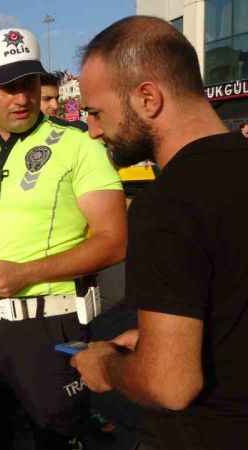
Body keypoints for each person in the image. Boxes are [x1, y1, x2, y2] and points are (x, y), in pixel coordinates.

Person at [0, 28, 126, 449]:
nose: (22, 98)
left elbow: (114, 240)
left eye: (30, 84)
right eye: (7, 87)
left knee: (55, 438)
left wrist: (28, 273)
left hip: (47, 329)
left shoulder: (78, 146)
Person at [70, 16, 248, 450]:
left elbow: (170, 384)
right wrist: (158, 339)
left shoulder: (166, 205)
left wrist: (108, 366)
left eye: (95, 112)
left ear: (147, 97)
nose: (92, 130)